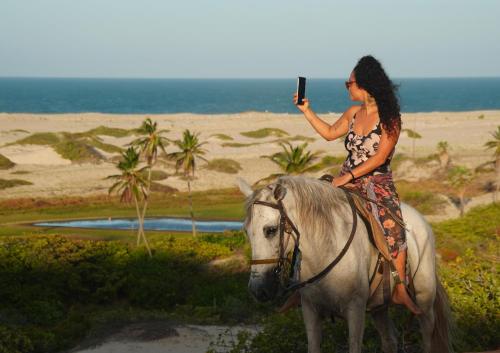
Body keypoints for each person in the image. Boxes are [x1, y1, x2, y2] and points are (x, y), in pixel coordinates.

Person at [292, 55, 422, 315]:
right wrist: (306, 110)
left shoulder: (390, 117)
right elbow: (329, 133)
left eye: (348, 83)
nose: (346, 87)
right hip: (345, 178)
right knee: (308, 215)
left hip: (376, 183)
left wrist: (348, 178)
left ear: (364, 84)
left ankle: (399, 288)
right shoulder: (353, 113)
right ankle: (300, 283)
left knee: (392, 225)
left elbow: (380, 157)